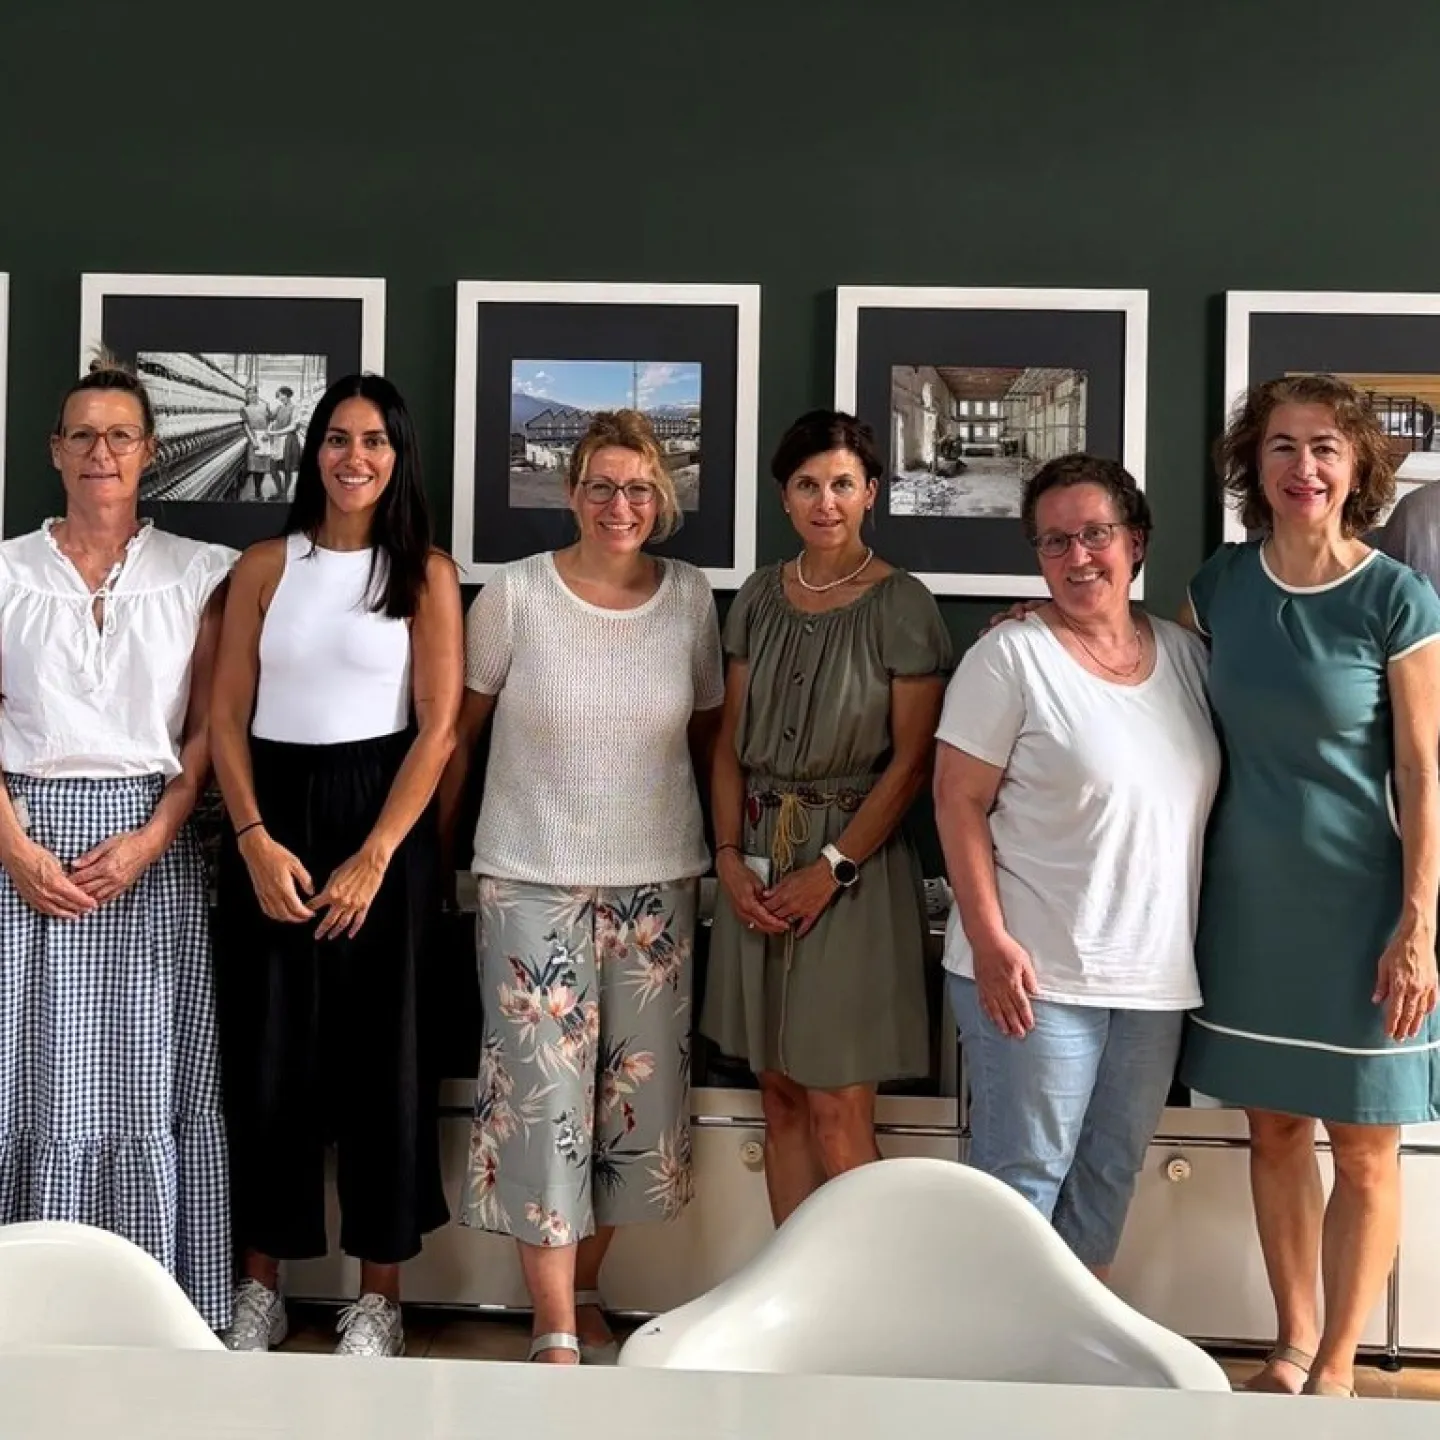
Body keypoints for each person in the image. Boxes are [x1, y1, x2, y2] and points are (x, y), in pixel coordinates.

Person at [437, 409, 723, 1366]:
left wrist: (719, 855)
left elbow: (706, 741)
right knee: (543, 1103)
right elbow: (458, 737)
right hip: (529, 880)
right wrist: (440, 855)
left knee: (630, 1112)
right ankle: (553, 1322)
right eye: (600, 486)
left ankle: (587, 1286)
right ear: (571, 494)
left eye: (638, 488)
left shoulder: (690, 599)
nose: (618, 504)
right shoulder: (512, 597)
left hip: (658, 885)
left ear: (663, 499)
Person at [1178, 373, 1440, 1398]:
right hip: (1246, 902)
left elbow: (1425, 773)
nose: (1305, 467)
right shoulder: (1219, 587)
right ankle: (1291, 1344)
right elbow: (1154, 695)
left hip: (1366, 906)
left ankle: (1337, 1367)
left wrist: (1420, 922)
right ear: (1255, 467)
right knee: (1275, 1129)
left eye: (1326, 446)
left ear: (1358, 466)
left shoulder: (1396, 597)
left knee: (1367, 1149)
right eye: (1282, 447)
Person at [211, 373, 463, 1357]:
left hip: (383, 835)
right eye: (336, 438)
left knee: (381, 1067)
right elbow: (227, 717)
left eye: (374, 441)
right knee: (270, 1061)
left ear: (398, 459)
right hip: (271, 824)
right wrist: (251, 837)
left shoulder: (426, 573)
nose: (353, 457)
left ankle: (380, 1300)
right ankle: (261, 1284)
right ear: (311, 450)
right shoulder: (266, 565)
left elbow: (438, 729)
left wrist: (375, 857)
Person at [933, 454, 1219, 1277]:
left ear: (1136, 543)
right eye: (1054, 542)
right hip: (1033, 972)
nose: (1077, 556)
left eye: (1096, 534)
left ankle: (1065, 1369)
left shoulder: (1186, 658)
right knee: (1022, 1185)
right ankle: (999, 1377)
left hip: (1153, 981)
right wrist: (988, 943)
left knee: (1105, 1182)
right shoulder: (1011, 657)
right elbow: (957, 802)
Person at [0, 359, 236, 1328]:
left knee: (142, 1075)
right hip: (23, 840)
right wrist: (13, 849)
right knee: (24, 1068)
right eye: (83, 435)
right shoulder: (4, 571)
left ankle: (149, 1304)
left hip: (152, 845)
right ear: (56, 451)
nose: (102, 452)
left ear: (149, 454)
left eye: (120, 436)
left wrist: (153, 838)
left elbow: (211, 731)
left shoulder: (202, 573)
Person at [703, 409, 952, 1228]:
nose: (825, 501)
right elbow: (730, 746)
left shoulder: (903, 604)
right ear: (785, 498)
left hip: (854, 870)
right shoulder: (756, 601)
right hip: (759, 862)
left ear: (870, 492)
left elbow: (913, 763)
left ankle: (866, 1318)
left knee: (840, 1105)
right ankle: (793, 1302)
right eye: (808, 485)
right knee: (776, 1097)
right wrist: (730, 857)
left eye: (842, 484)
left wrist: (833, 867)